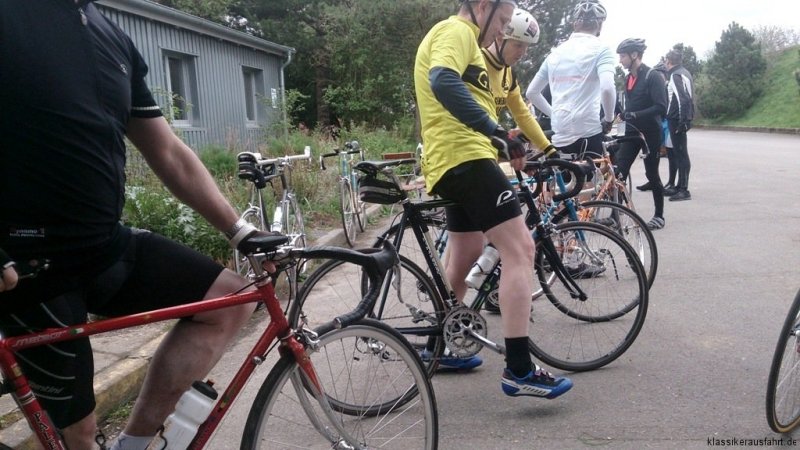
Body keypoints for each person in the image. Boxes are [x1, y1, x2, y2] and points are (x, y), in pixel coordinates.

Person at [0, 2, 270, 449]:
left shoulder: (111, 36)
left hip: (105, 246)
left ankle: (133, 445)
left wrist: (240, 231)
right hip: (30, 268)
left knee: (229, 301)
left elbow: (168, 152)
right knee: (78, 436)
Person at [414, 0, 571, 399]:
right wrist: (495, 131)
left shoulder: (470, 42)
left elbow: (515, 110)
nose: (502, 30)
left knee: (465, 254)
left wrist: (544, 148)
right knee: (521, 249)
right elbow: (442, 81)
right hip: (466, 156)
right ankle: (519, 369)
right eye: (501, 20)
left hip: (452, 162)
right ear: (482, 6)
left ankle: (437, 346)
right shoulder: (457, 31)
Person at [526, 0, 616, 158]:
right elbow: (608, 88)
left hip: (560, 132)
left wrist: (554, 114)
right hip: (589, 131)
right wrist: (609, 119)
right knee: (594, 173)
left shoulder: (555, 53)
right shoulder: (602, 50)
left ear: (574, 24)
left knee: (565, 174)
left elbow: (532, 93)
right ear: (600, 25)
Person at [615, 38, 668, 230]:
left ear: (634, 55)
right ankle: (615, 215)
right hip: (631, 131)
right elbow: (632, 105)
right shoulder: (628, 77)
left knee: (651, 173)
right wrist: (622, 114)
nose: (620, 60)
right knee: (618, 173)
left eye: (623, 56)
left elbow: (661, 107)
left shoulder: (652, 76)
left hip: (650, 133)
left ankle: (659, 216)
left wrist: (636, 114)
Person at [663, 48, 695, 201]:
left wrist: (682, 121)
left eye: (665, 60)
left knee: (681, 154)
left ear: (669, 61)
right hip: (678, 118)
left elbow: (683, 99)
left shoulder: (675, 75)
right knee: (679, 153)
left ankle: (683, 189)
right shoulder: (684, 72)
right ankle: (678, 186)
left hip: (676, 119)